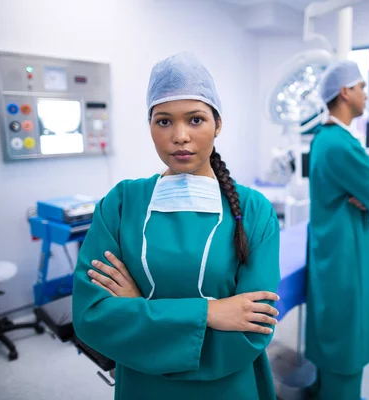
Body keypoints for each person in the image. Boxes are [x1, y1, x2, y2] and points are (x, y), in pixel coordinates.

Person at [72, 52, 281, 400]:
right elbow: (92, 314)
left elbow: (252, 328)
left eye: (196, 120)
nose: (179, 136)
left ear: (218, 124)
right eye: (164, 121)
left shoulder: (253, 210)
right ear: (150, 126)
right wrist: (211, 312)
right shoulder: (121, 204)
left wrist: (140, 308)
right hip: (144, 388)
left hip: (228, 386)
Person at [306, 60, 369, 400]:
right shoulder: (341, 144)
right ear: (345, 92)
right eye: (362, 88)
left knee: (332, 335)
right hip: (345, 259)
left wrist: (368, 193)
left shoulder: (325, 139)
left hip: (333, 253)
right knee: (345, 345)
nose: (366, 95)